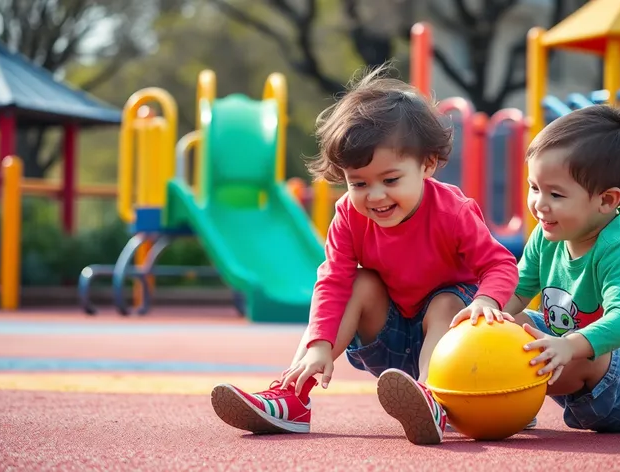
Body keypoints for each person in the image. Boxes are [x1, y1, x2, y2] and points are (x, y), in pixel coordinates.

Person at [210, 63, 520, 445]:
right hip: (389, 338)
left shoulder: (452, 211)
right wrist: (319, 345)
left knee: (446, 301)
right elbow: (333, 280)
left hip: (453, 350)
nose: (374, 195)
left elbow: (500, 263)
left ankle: (436, 397)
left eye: (390, 180)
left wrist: (487, 300)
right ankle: (293, 396)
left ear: (427, 165)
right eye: (358, 183)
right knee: (358, 281)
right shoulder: (349, 215)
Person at [451, 105, 620, 433]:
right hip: (568, 358)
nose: (539, 205)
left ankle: (486, 398)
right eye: (534, 188)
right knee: (506, 322)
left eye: (556, 194)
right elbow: (517, 289)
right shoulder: (548, 234)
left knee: (587, 352)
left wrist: (568, 345)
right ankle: (500, 401)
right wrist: (487, 307)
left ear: (606, 201)